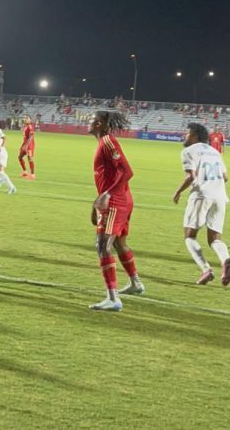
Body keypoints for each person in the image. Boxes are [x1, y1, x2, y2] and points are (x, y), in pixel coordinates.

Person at [88, 110, 144, 311]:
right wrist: (97, 201)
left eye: (93, 119)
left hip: (116, 201)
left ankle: (112, 298)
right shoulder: (104, 142)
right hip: (121, 199)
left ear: (101, 123)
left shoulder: (108, 142)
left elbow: (127, 171)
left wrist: (107, 195)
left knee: (103, 245)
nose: (90, 121)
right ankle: (136, 283)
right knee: (120, 244)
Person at [171, 123, 230, 286]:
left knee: (189, 236)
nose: (186, 136)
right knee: (214, 239)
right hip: (220, 196)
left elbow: (191, 176)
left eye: (188, 134)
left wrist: (178, 191)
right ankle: (225, 259)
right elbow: (226, 177)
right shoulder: (215, 152)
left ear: (196, 136)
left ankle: (206, 269)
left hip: (201, 195)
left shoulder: (188, 151)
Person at [18, 115, 36, 180]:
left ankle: (32, 175)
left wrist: (26, 145)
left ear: (30, 119)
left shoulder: (30, 126)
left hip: (30, 145)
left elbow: (31, 137)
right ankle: (25, 172)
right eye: (24, 118)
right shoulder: (25, 126)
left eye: (27, 118)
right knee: (20, 157)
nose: (25, 119)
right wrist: (24, 145)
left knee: (30, 158)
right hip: (25, 144)